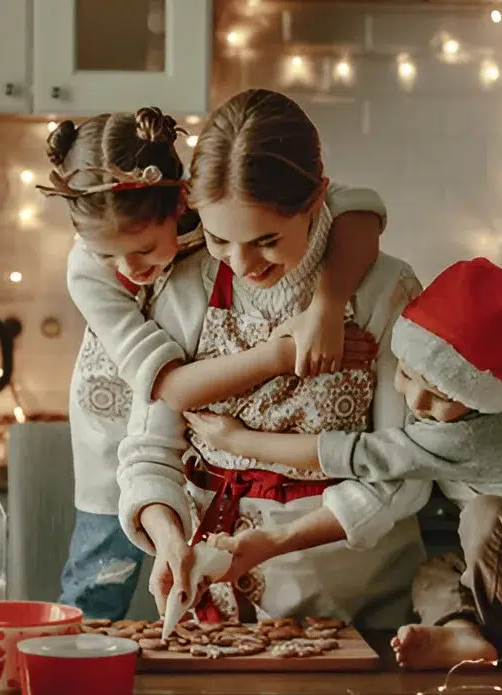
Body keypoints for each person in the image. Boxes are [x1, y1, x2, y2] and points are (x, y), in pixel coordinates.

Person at [187, 258, 502, 669]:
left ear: (478, 393)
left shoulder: (474, 430)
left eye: (440, 395)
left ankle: (497, 635)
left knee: (489, 515)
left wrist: (240, 439)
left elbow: (353, 454)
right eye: (406, 375)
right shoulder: (491, 385)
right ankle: (466, 636)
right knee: (434, 575)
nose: (416, 400)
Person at [45, 106, 389, 620]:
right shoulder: (89, 272)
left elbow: (359, 208)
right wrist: (283, 354)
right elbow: (171, 390)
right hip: (125, 400)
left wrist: (325, 307)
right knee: (101, 569)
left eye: (142, 249)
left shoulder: (218, 217)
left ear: (182, 201)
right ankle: (82, 661)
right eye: (107, 257)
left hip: (191, 401)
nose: (128, 270)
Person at [116, 89, 432, 629]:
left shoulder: (382, 290)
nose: (240, 264)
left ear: (316, 201)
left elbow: (403, 469)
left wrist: (279, 541)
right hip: (212, 608)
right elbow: (149, 448)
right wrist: (169, 537)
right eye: (218, 238)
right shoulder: (186, 285)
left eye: (265, 240)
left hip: (355, 604)